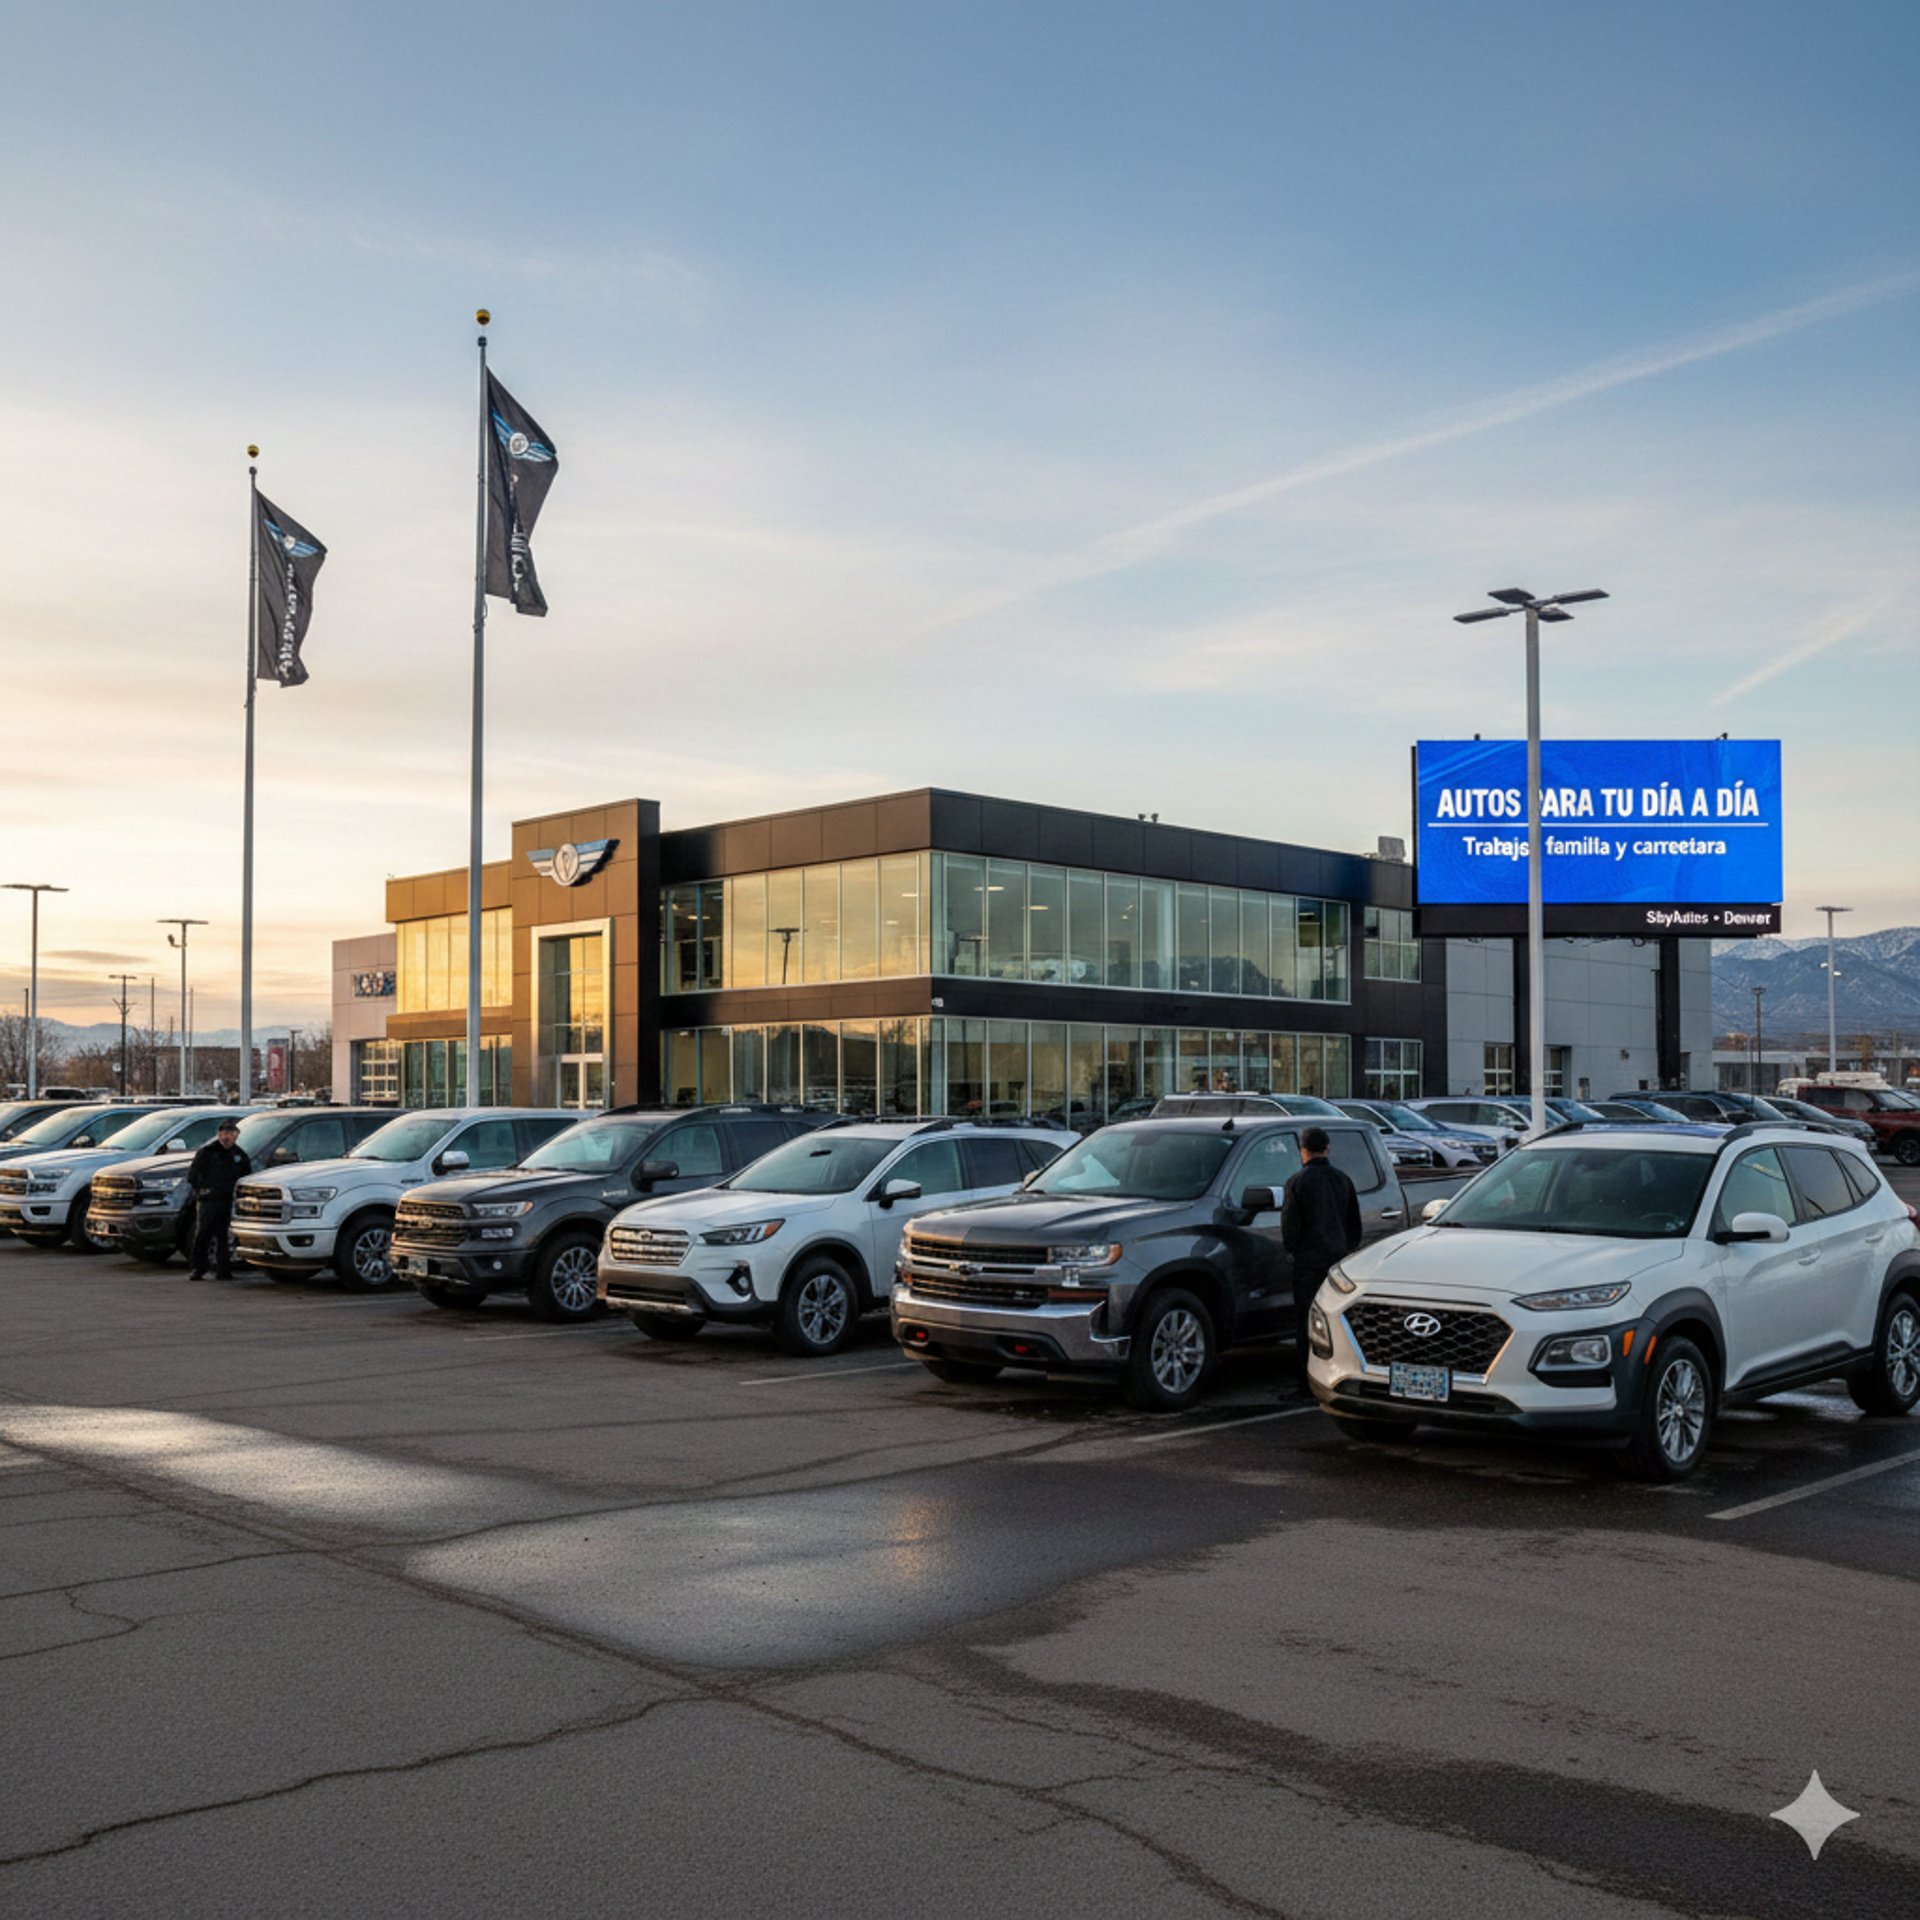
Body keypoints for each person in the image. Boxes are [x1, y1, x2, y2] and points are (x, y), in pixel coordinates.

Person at [1280, 1126, 1362, 1389]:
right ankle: (1337, 1375)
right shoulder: (1343, 1180)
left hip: (1308, 1262)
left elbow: (1290, 1228)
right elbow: (1354, 1226)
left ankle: (1307, 1381)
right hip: (1338, 1261)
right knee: (1335, 1321)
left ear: (1303, 1151)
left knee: (1307, 1321)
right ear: (1327, 1149)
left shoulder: (1296, 1182)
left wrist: (1294, 1252)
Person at [187, 1119, 251, 1281]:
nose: (226, 1138)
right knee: (203, 1235)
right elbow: (193, 1175)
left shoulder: (239, 1155)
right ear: (218, 1135)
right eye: (223, 1134)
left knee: (223, 1237)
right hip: (208, 1201)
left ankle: (223, 1270)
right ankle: (198, 1269)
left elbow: (246, 1177)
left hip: (228, 1201)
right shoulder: (207, 1152)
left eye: (229, 1134)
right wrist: (203, 1189)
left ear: (236, 1136)